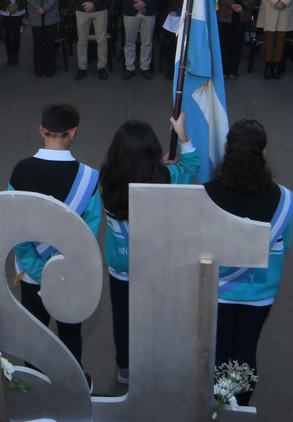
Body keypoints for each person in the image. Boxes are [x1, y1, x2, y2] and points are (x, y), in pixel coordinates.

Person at [102, 112, 198, 385]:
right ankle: (156, 360)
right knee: (157, 314)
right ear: (153, 150)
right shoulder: (167, 177)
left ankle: (125, 366)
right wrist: (183, 136)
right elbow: (192, 165)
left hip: (121, 265)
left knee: (122, 316)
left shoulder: (107, 179)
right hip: (157, 262)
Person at [203, 119, 293, 406]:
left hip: (217, 290)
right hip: (260, 292)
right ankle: (239, 406)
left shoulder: (206, 194)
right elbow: (284, 244)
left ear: (226, 148)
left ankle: (217, 404)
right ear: (263, 152)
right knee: (245, 353)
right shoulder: (285, 199)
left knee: (217, 352)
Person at [8, 103, 100, 374]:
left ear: (41, 129)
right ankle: (73, 391)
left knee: (34, 336)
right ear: (73, 131)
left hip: (30, 274)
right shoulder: (89, 178)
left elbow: (15, 228)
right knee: (71, 337)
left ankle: (35, 389)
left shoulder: (20, 171)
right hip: (69, 274)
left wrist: (37, 270)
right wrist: (60, 267)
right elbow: (87, 234)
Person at [25, 0, 62, 78]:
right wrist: (37, 8)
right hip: (36, 16)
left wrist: (45, 8)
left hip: (50, 15)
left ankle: (50, 68)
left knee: (50, 43)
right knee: (38, 44)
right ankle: (39, 67)